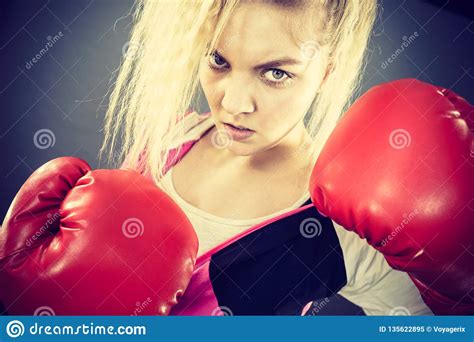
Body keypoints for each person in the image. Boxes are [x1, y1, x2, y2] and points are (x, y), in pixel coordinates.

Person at [109, 0, 433, 315]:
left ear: (327, 72)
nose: (235, 104)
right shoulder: (169, 138)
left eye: (276, 73)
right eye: (218, 59)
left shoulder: (340, 223)